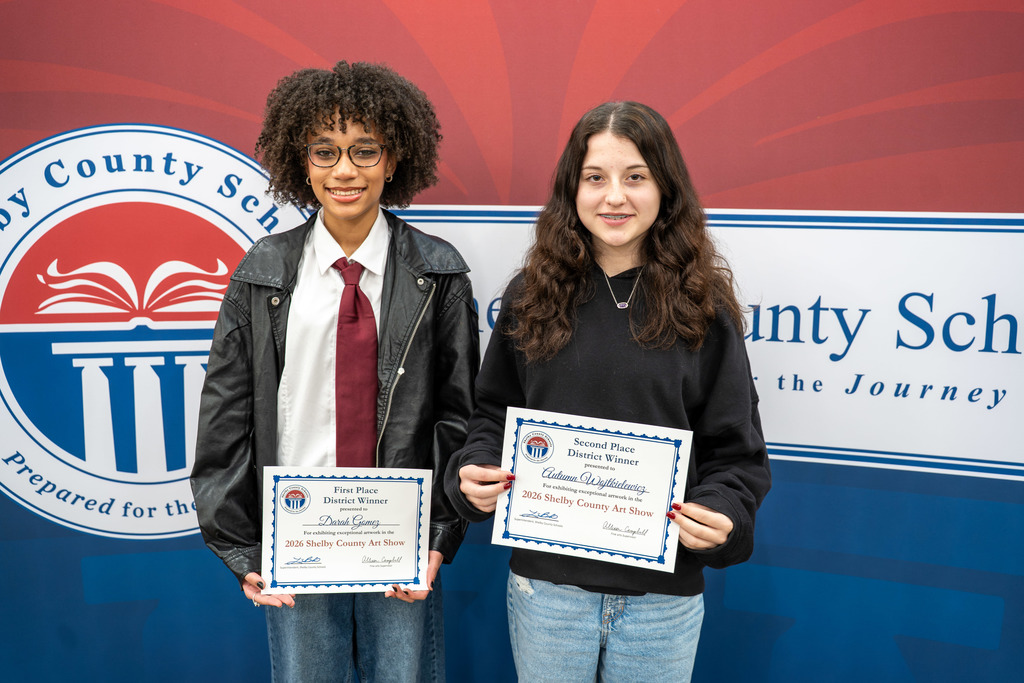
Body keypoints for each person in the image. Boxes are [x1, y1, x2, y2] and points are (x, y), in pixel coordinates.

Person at [444, 101, 770, 682]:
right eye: (595, 178)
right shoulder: (530, 295)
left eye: (635, 177)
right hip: (547, 593)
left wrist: (723, 513)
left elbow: (736, 453)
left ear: (666, 187)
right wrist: (476, 467)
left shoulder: (706, 309)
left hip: (661, 601)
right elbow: (491, 412)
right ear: (572, 189)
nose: (614, 197)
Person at [191, 61, 479, 682]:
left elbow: (459, 418)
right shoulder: (263, 271)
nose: (344, 170)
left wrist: (438, 537)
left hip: (399, 540)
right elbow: (224, 418)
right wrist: (241, 548)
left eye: (364, 151)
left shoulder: (439, 273)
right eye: (325, 152)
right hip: (295, 537)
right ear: (304, 162)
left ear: (392, 160)